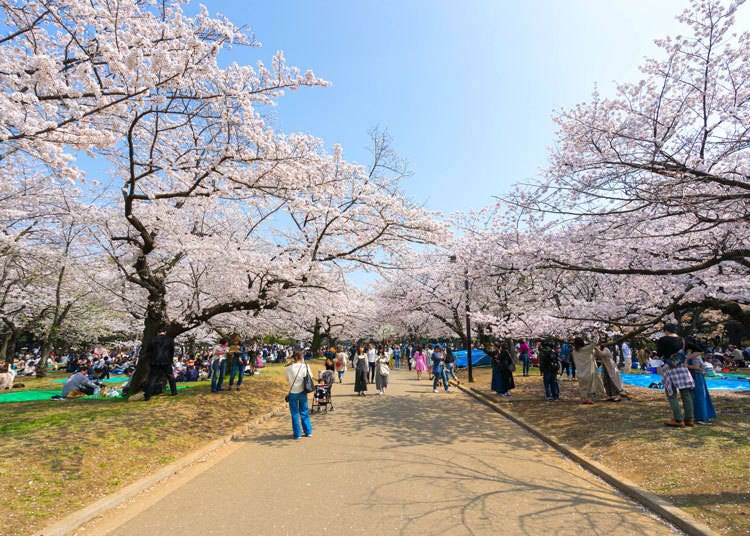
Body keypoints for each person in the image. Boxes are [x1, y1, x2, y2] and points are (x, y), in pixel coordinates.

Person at [657, 323, 695, 427]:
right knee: (686, 393)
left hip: (669, 367)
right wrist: (686, 358)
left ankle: (678, 419)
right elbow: (699, 349)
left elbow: (659, 353)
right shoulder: (683, 340)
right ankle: (690, 419)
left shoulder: (663, 340)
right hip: (682, 367)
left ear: (666, 330)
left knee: (671, 393)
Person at [685, 339, 716, 425]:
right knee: (700, 396)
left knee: (699, 397)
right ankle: (702, 416)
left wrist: (686, 365)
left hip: (697, 376)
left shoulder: (692, 355)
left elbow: (697, 367)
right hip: (697, 376)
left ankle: (701, 416)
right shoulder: (693, 355)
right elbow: (698, 367)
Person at [144, 327, 177, 401]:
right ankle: (174, 392)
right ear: (165, 332)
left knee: (152, 378)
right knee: (170, 377)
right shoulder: (169, 339)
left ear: (157, 332)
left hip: (155, 361)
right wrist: (170, 360)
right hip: (166, 360)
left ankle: (147, 395)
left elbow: (148, 351)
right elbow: (172, 351)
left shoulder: (153, 339)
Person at [286, 350, 312, 439]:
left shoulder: (289, 368)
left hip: (293, 392)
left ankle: (297, 434)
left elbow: (287, 379)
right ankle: (308, 431)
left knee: (294, 413)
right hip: (302, 391)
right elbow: (310, 377)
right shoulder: (305, 366)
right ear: (301, 357)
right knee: (304, 412)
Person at [572, 335, 605, 405]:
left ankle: (583, 399)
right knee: (590, 387)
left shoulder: (574, 352)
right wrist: (596, 334)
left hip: (579, 372)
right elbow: (594, 343)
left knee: (582, 387)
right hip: (588, 371)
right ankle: (589, 399)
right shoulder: (586, 349)